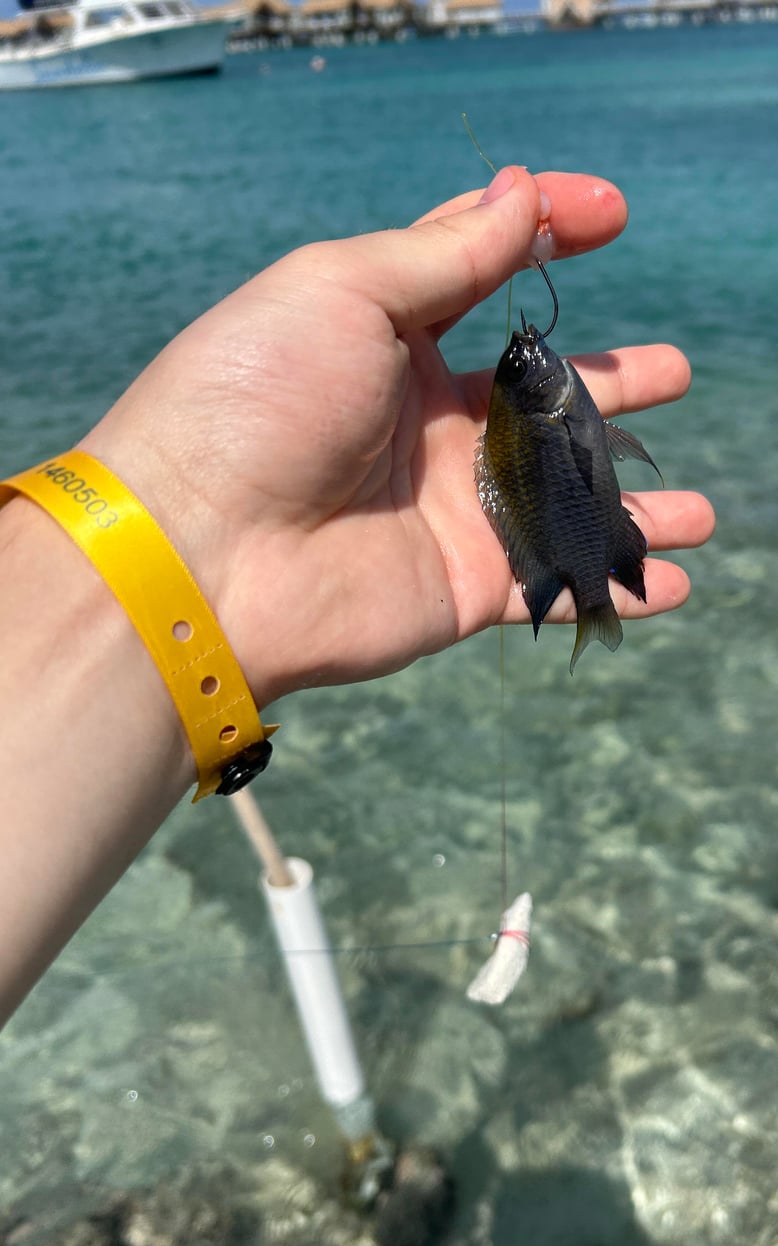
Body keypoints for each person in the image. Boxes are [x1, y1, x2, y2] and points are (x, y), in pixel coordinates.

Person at [0, 166, 715, 1026]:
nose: (527, 351)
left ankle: (590, 588)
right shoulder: (548, 404)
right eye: (524, 364)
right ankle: (590, 593)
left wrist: (185, 538)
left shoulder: (536, 409)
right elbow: (569, 460)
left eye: (523, 362)